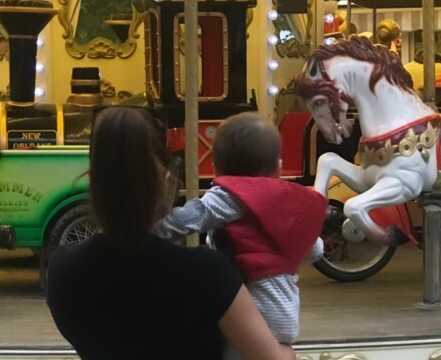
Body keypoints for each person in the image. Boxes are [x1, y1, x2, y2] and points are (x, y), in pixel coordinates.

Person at [46, 106, 297, 360]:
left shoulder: (63, 269)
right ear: (165, 179)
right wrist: (288, 352)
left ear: (93, 180)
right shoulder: (206, 273)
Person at [154, 112, 327, 358]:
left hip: (249, 309)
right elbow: (315, 250)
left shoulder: (232, 196)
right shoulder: (293, 204)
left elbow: (187, 219)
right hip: (285, 312)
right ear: (278, 169)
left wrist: (150, 232)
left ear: (215, 167)